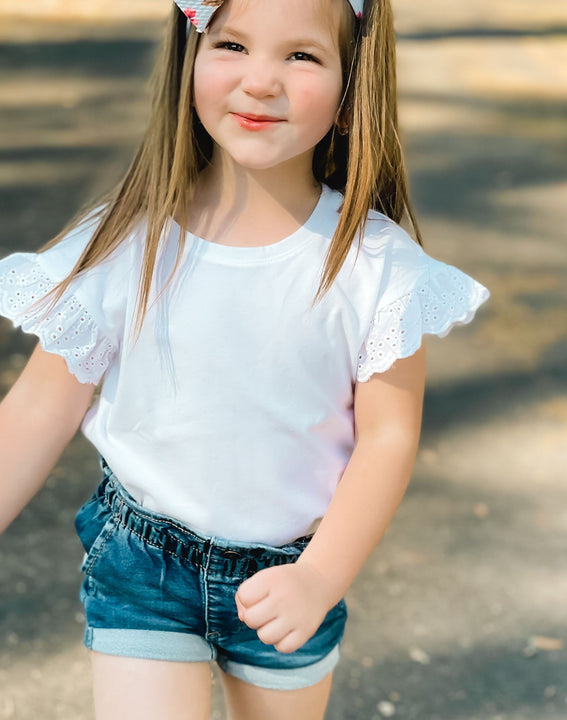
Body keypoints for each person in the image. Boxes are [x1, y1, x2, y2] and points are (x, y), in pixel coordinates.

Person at [0, 0, 490, 717]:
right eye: (231, 44)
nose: (261, 81)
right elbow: (39, 407)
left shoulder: (376, 266)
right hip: (143, 564)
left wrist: (320, 578)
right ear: (190, 59)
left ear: (354, 91)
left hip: (292, 574)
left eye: (301, 56)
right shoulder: (126, 243)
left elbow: (388, 436)